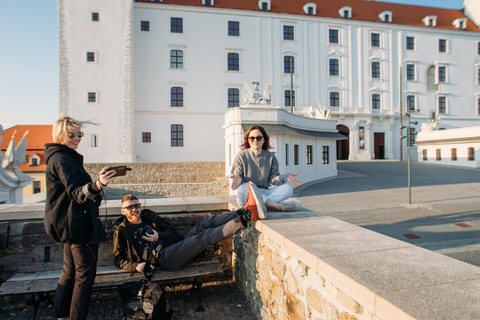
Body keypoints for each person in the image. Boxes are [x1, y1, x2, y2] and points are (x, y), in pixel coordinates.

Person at [44, 116, 117, 320]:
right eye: (72, 135)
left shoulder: (62, 156)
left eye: (80, 134)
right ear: (60, 135)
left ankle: (61, 315)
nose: (77, 138)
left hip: (70, 223)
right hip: (77, 225)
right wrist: (99, 184)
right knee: (84, 276)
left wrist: (97, 180)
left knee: (70, 271)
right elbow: (76, 193)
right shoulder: (62, 158)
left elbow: (77, 189)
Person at [113, 184, 265, 273]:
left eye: (136, 206)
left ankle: (242, 211)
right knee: (205, 236)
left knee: (205, 222)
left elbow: (172, 231)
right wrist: (137, 266)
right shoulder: (122, 230)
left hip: (173, 244)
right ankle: (245, 218)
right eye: (129, 207)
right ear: (123, 211)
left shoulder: (148, 217)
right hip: (164, 258)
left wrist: (158, 236)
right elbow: (119, 259)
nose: (134, 209)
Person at [230, 124, 302, 212]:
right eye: (252, 138)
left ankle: (259, 206)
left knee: (288, 188)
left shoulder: (271, 157)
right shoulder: (242, 156)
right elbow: (237, 173)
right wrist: (238, 178)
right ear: (248, 140)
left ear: (264, 140)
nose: (255, 140)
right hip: (247, 193)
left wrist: (285, 177)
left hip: (265, 192)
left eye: (258, 138)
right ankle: (278, 206)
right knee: (244, 187)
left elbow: (273, 179)